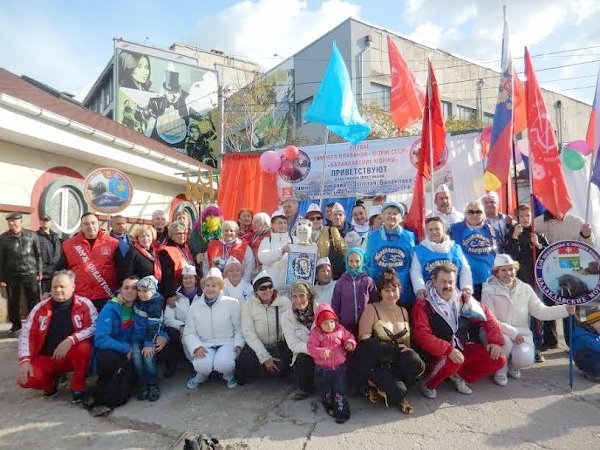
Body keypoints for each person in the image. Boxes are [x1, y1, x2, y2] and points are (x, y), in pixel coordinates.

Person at [412, 264, 506, 399]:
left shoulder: (462, 298)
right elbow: (422, 335)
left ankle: (457, 376)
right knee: (453, 361)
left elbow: (487, 316)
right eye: (443, 281)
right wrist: (448, 350)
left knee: (498, 359)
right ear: (434, 281)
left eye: (450, 282)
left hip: (461, 347)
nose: (447, 286)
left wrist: (495, 341)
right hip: (437, 353)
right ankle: (428, 383)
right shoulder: (424, 303)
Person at [481, 254, 575, 386]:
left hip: (522, 333)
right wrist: (512, 332)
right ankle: (500, 369)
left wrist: (565, 309)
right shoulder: (488, 290)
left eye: (511, 269)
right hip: (496, 332)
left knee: (525, 359)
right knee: (505, 342)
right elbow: (490, 320)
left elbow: (540, 311)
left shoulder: (525, 288)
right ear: (496, 272)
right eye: (503, 270)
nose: (508, 273)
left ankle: (512, 365)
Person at [17, 270, 97, 403]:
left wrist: (71, 339)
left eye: (62, 286)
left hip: (72, 356)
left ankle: (78, 387)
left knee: (84, 348)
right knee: (29, 379)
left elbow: (94, 326)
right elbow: (26, 335)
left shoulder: (85, 304)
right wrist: (24, 360)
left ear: (73, 287)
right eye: (55, 287)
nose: (58, 290)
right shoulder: (40, 308)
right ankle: (50, 383)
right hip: (47, 358)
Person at [357, 270, 425, 414]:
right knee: (398, 391)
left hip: (397, 362)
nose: (391, 294)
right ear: (380, 292)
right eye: (386, 290)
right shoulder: (372, 309)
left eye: (394, 290)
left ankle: (395, 388)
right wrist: (393, 350)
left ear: (400, 290)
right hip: (377, 364)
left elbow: (407, 343)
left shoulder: (403, 311)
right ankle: (371, 384)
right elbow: (364, 342)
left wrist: (409, 353)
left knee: (416, 361)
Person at [533, 209, 596, 345]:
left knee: (571, 307)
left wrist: (586, 235)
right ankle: (550, 341)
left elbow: (590, 246)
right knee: (548, 306)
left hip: (572, 273)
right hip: (548, 273)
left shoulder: (577, 221)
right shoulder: (538, 222)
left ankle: (573, 341)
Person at [184, 268, 243, 390]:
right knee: (201, 365)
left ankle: (228, 375)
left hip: (227, 342)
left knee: (223, 364)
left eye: (214, 286)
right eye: (207, 285)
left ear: (221, 287)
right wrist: (196, 346)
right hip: (205, 343)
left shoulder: (232, 303)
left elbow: (239, 327)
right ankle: (201, 376)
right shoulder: (195, 306)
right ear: (203, 286)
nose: (210, 289)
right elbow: (189, 332)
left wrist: (238, 344)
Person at [505, 204, 550, 362]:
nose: (525, 218)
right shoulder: (511, 234)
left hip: (536, 282)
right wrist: (514, 238)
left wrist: (538, 244)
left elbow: (548, 256)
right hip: (519, 283)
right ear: (517, 217)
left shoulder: (537, 234)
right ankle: (520, 346)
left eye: (527, 215)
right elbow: (509, 257)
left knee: (537, 316)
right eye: (522, 216)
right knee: (520, 317)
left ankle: (537, 347)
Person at [236, 271, 292, 385]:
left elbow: (291, 327)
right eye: (263, 288)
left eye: (270, 286)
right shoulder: (248, 305)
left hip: (278, 344)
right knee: (242, 364)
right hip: (258, 344)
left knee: (288, 369)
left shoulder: (285, 302)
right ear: (256, 291)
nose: (267, 291)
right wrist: (265, 357)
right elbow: (249, 333)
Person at [93, 276, 139, 410]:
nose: (130, 291)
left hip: (133, 349)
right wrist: (125, 348)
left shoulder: (141, 306)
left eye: (134, 288)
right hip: (115, 350)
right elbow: (101, 338)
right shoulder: (110, 308)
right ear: (120, 290)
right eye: (126, 288)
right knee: (107, 358)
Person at [58, 212, 119, 312]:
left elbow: (121, 268)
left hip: (106, 296)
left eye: (93, 223)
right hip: (80, 296)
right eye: (86, 224)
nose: (90, 226)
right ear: (81, 227)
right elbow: (61, 270)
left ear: (98, 224)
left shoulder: (113, 243)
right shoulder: (68, 245)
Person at [307, 304, 356, 424]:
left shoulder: (340, 330)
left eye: (331, 322)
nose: (329, 326)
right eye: (325, 323)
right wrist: (320, 352)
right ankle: (329, 405)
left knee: (340, 389)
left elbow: (350, 337)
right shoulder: (316, 334)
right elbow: (311, 347)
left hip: (339, 368)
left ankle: (342, 410)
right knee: (326, 390)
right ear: (319, 324)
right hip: (322, 369)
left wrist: (350, 343)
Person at [364, 201, 416, 305]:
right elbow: (367, 261)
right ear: (382, 216)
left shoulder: (409, 237)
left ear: (401, 218)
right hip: (380, 291)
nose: (391, 216)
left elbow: (414, 263)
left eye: (395, 213)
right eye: (388, 213)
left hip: (403, 292)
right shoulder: (373, 236)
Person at [411, 216, 473, 301]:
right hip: (429, 297)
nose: (434, 232)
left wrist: (466, 287)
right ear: (426, 232)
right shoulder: (419, 250)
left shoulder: (455, 248)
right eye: (430, 229)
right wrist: (419, 288)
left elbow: (465, 270)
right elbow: (415, 271)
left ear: (443, 230)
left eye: (437, 229)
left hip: (453, 296)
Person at [0, 212, 42, 335]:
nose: (11, 223)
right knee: (13, 301)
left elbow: (38, 254)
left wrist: (39, 271)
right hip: (11, 275)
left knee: (33, 300)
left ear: (20, 221)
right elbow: (0, 259)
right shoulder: (3, 238)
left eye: (14, 221)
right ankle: (16, 325)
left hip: (30, 272)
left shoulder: (31, 235)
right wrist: (1, 277)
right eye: (9, 221)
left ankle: (34, 323)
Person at [448, 200, 498, 300]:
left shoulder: (491, 229)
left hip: (489, 282)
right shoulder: (455, 229)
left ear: (483, 214)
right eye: (471, 212)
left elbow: (497, 253)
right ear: (465, 214)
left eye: (478, 212)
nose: (474, 214)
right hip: (465, 283)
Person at [132, 275, 168, 402]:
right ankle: (142, 385)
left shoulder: (155, 303)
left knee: (148, 359)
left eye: (145, 291)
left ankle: (153, 385)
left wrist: (148, 343)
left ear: (153, 291)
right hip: (136, 336)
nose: (141, 294)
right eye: (139, 290)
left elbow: (154, 326)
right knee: (137, 360)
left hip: (150, 337)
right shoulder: (138, 299)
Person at [281, 281, 318, 400]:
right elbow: (293, 344)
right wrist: (313, 350)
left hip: (324, 348)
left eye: (302, 295)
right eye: (294, 296)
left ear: (309, 296)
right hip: (306, 351)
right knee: (302, 359)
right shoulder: (286, 317)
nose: (298, 300)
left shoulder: (321, 310)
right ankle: (304, 388)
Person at [331, 247, 377, 337]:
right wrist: (337, 322)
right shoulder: (341, 283)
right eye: (351, 261)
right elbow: (335, 305)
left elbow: (374, 303)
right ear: (347, 262)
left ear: (362, 261)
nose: (354, 264)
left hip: (366, 324)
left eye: (357, 261)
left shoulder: (368, 281)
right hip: (346, 325)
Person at [162, 264, 197, 378]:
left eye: (190, 277)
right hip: (182, 329)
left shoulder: (204, 294)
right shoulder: (175, 296)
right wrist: (181, 326)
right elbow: (168, 319)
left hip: (200, 327)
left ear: (196, 279)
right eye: (185, 278)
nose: (188, 280)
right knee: (172, 334)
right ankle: (172, 365)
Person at [306, 203, 347, 280]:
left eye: (318, 218)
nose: (315, 220)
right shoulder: (303, 234)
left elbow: (344, 250)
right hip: (309, 275)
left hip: (328, 274)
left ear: (322, 219)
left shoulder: (331, 230)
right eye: (312, 218)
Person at [158, 220, 195, 303]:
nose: (182, 236)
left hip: (189, 288)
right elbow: (166, 275)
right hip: (175, 292)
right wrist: (170, 295)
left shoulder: (186, 247)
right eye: (178, 233)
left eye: (184, 233)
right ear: (172, 235)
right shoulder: (166, 250)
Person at [257, 210, 294, 291]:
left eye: (285, 222)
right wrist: (280, 251)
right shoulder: (266, 241)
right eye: (280, 223)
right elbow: (263, 258)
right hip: (270, 288)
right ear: (272, 225)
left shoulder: (294, 240)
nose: (283, 225)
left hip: (289, 288)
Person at [572, 306, 600, 382]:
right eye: (599, 323)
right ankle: (592, 372)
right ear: (591, 323)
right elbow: (597, 346)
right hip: (585, 359)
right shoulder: (583, 335)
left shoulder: (594, 330)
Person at [36, 214, 61, 295]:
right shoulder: (35, 236)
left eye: (47, 221)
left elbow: (58, 253)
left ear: (50, 223)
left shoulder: (55, 236)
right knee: (44, 296)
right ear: (40, 222)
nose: (45, 222)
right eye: (43, 221)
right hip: (43, 273)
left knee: (55, 295)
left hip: (55, 271)